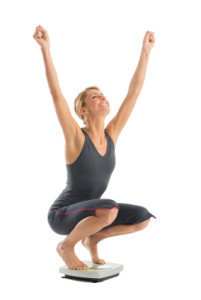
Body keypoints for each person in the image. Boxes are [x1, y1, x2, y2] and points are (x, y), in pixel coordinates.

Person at [33, 25, 156, 271]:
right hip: (62, 215)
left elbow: (133, 93)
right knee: (108, 207)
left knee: (143, 217)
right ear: (83, 111)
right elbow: (56, 94)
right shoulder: (76, 138)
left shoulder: (112, 135)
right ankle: (66, 246)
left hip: (95, 214)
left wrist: (145, 52)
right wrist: (46, 49)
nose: (102, 97)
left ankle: (94, 238)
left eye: (102, 94)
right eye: (94, 96)